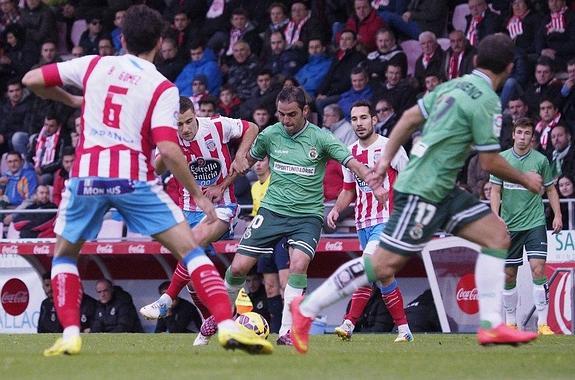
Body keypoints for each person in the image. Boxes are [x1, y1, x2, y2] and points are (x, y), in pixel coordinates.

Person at [22, 5, 272, 356]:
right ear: (158, 42)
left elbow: (31, 81)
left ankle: (70, 332)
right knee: (190, 250)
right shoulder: (162, 87)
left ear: (121, 39)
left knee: (64, 255)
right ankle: (228, 326)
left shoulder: (95, 64)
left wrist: (72, 99)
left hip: (87, 177)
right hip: (133, 179)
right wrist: (199, 197)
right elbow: (169, 150)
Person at [290, 34, 542, 354]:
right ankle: (307, 308)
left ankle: (491, 325)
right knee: (380, 266)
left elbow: (409, 117)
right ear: (509, 67)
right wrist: (527, 179)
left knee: (497, 235)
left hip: (442, 188)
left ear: (476, 61)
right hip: (423, 190)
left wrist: (384, 160)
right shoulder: (488, 100)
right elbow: (489, 160)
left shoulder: (453, 85)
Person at [224, 86, 382, 345]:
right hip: (272, 211)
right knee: (239, 266)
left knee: (298, 266)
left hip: (306, 217)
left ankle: (287, 331)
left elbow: (350, 162)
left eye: (291, 114)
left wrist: (372, 180)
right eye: (281, 114)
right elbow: (245, 165)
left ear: (305, 111)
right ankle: (219, 320)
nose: (285, 120)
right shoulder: (270, 135)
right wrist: (221, 186)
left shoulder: (321, 138)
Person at [139, 96, 259, 346]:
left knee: (194, 244)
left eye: (189, 122)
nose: (185, 129)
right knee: (193, 275)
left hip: (223, 206)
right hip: (188, 209)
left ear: (196, 116)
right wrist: (165, 149)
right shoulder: (171, 137)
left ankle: (166, 299)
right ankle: (209, 327)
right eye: (179, 124)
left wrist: (241, 154)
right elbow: (157, 169)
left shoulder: (216, 126)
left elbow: (252, 127)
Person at [326, 100, 412, 342]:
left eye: (364, 118)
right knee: (384, 277)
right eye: (354, 119)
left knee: (367, 269)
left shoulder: (390, 148)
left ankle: (348, 323)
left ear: (374, 120)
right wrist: (336, 209)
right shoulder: (350, 152)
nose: (359, 123)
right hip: (363, 223)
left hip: (387, 221)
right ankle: (405, 331)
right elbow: (348, 190)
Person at [489, 117, 562, 335]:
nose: (522, 137)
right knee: (509, 274)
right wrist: (495, 216)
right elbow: (495, 190)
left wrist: (557, 215)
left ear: (532, 137)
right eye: (519, 132)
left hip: (535, 222)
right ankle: (511, 322)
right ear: (513, 134)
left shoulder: (541, 160)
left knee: (538, 269)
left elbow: (550, 190)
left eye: (527, 133)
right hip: (509, 226)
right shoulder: (501, 160)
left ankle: (542, 324)